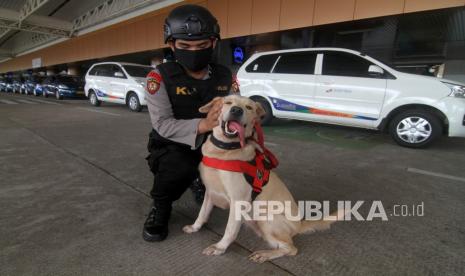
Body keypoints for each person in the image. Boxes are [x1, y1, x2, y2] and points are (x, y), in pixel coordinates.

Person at [143, 4, 232, 242]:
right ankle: (160, 208)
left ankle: (199, 179)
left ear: (213, 43)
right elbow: (162, 124)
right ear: (171, 45)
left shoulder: (225, 75)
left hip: (214, 143)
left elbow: (235, 107)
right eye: (185, 46)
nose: (194, 51)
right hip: (172, 145)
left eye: (202, 46)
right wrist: (204, 124)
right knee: (176, 165)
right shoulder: (159, 77)